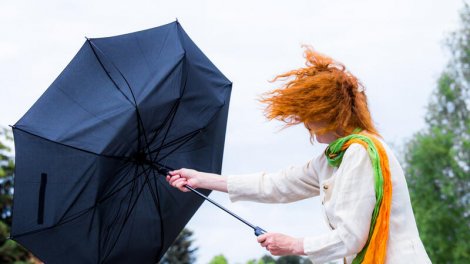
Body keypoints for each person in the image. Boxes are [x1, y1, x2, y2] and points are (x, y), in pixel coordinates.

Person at [165, 47, 431, 264]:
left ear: (327, 113)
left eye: (308, 116)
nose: (306, 125)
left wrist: (294, 245)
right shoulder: (334, 159)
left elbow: (351, 238)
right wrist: (202, 179)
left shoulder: (360, 153)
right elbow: (276, 184)